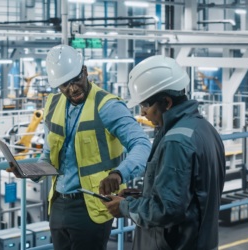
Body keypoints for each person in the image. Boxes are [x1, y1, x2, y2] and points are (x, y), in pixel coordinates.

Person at [8, 44, 151, 249]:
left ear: (84, 71)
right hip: (58, 203)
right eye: (65, 85)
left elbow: (142, 144)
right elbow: (49, 156)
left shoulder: (108, 106)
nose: (72, 88)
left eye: (76, 80)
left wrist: (119, 174)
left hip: (90, 205)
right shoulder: (53, 104)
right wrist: (29, 171)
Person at [103, 55, 226, 250]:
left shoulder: (176, 142)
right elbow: (190, 193)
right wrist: (140, 195)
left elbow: (167, 210)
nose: (142, 112)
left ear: (166, 102)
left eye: (145, 105)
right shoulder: (205, 129)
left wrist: (125, 207)